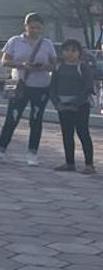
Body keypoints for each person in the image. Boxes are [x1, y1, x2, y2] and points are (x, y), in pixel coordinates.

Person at [0, 13, 57, 166]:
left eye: (38, 28)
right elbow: (5, 61)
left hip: (40, 86)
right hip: (18, 83)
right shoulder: (15, 41)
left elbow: (54, 64)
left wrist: (43, 67)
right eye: (32, 27)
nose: (35, 31)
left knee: (36, 119)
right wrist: (22, 65)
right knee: (12, 118)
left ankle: (32, 153)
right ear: (25, 26)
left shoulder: (47, 44)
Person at [50, 39, 95, 174]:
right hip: (62, 106)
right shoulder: (58, 67)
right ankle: (69, 162)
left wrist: (76, 103)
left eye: (73, 50)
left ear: (79, 53)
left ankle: (89, 164)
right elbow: (52, 86)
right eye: (66, 50)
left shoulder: (83, 67)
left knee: (83, 133)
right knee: (67, 134)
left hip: (80, 106)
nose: (70, 53)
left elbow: (88, 87)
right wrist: (56, 103)